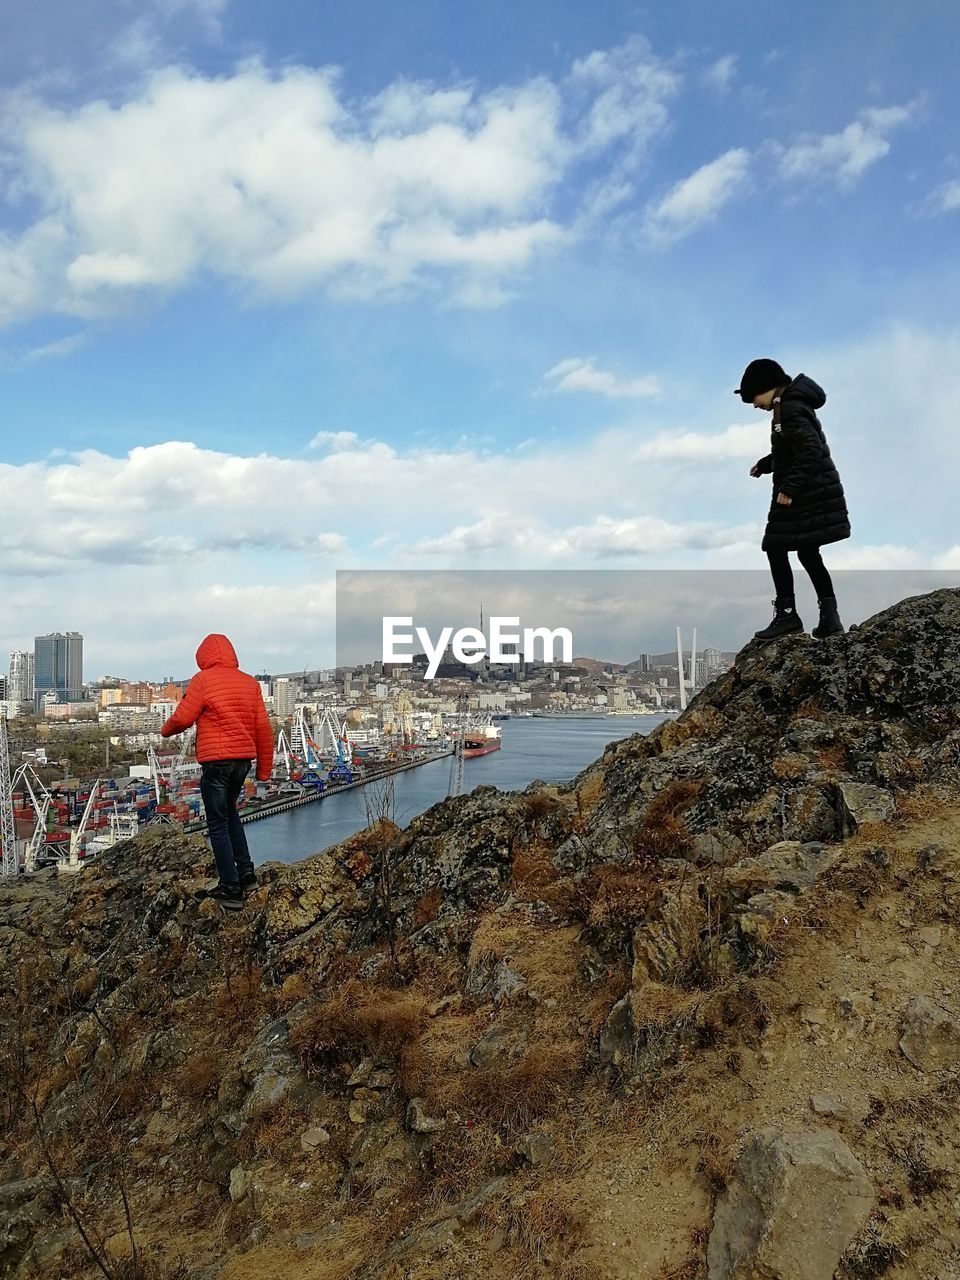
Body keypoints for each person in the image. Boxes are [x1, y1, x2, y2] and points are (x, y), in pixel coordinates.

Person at [737, 358, 850, 641]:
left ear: (767, 387)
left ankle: (787, 614)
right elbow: (794, 450)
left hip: (804, 496)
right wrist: (766, 464)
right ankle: (829, 616)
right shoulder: (791, 405)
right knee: (808, 553)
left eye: (753, 397)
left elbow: (810, 451)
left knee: (775, 546)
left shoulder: (788, 408)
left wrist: (789, 488)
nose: (754, 405)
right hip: (815, 492)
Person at [161, 634, 274, 910]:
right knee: (230, 813)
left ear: (203, 657)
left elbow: (184, 718)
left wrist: (166, 730)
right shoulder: (250, 683)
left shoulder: (203, 680)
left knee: (217, 823)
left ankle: (230, 888)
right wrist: (264, 772)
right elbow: (263, 730)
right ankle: (246, 875)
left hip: (217, 762)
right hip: (242, 762)